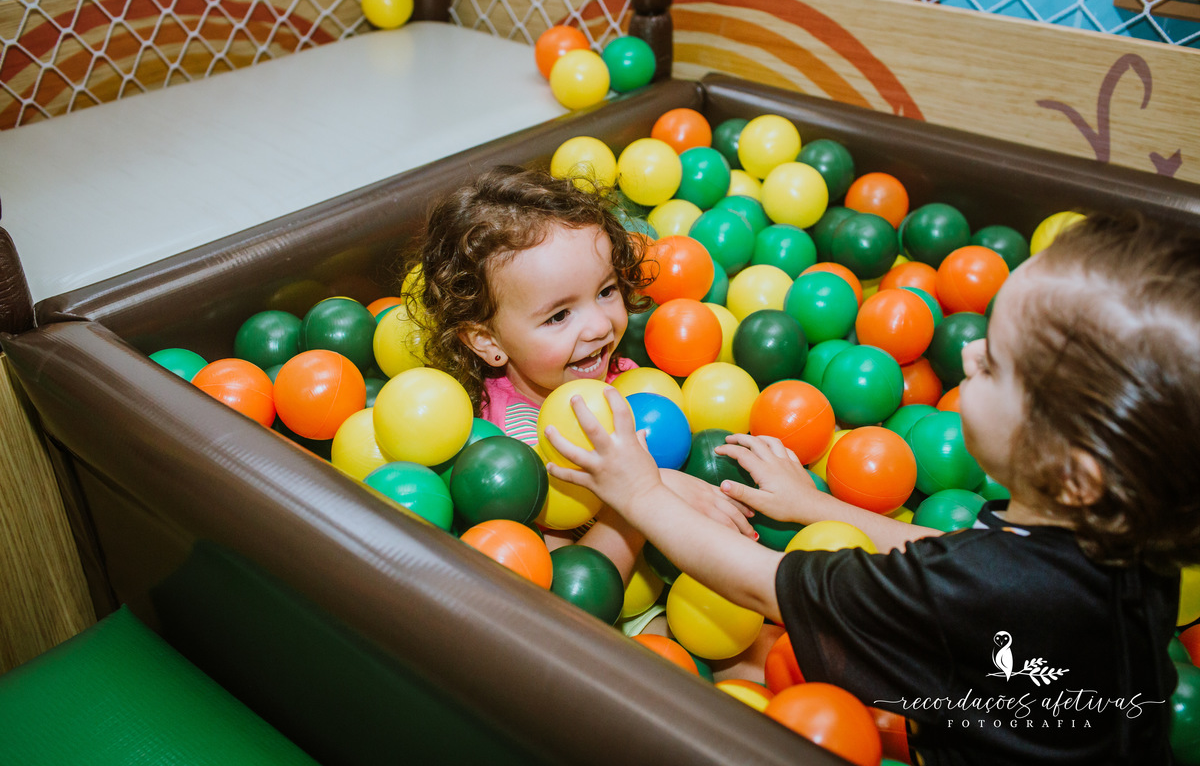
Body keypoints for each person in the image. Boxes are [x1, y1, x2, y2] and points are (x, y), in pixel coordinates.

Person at [544, 211, 1200, 765]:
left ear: (1074, 473)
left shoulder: (981, 595)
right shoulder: (1132, 531)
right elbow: (960, 558)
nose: (968, 354)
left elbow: (757, 581)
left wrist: (639, 493)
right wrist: (818, 506)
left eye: (993, 364)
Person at [407, 165, 752, 587]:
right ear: (487, 341)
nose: (598, 327)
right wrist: (648, 494)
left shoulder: (623, 373)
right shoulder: (518, 449)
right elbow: (574, 585)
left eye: (606, 291)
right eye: (558, 316)